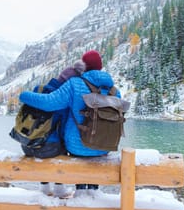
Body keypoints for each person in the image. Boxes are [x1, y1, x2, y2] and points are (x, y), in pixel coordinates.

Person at [19, 50, 121, 197]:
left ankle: (80, 191)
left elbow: (48, 103)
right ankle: (93, 191)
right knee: (93, 147)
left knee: (76, 142)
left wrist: (24, 95)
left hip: (77, 147)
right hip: (104, 147)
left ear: (84, 66)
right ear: (100, 66)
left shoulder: (75, 84)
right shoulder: (114, 91)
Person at [23, 60, 85, 198]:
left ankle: (44, 187)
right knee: (62, 144)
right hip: (46, 149)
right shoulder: (63, 99)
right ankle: (59, 187)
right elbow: (63, 131)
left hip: (26, 144)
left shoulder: (38, 89)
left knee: (43, 135)